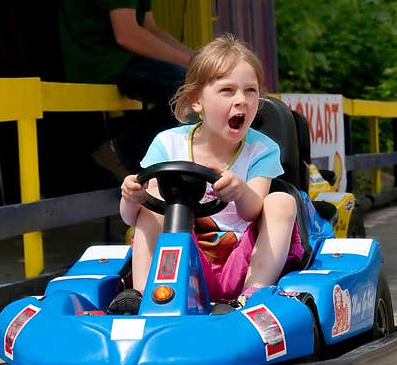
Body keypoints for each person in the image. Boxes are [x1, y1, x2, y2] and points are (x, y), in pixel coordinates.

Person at [113, 35, 304, 314]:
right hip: (180, 258)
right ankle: (143, 295)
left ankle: (254, 294)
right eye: (227, 90)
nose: (241, 100)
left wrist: (239, 191)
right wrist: (131, 197)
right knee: (153, 198)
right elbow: (131, 217)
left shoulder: (261, 149)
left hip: (243, 257)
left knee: (280, 203)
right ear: (197, 101)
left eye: (250, 91)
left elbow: (253, 211)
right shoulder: (168, 144)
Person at [58, 0, 195, 179]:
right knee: (186, 86)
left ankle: (140, 159)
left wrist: (198, 59)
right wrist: (196, 67)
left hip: (125, 60)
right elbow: (127, 34)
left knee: (195, 83)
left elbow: (149, 27)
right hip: (101, 61)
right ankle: (119, 152)